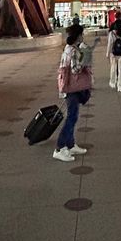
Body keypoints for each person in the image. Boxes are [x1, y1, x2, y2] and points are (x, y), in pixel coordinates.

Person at [54, 24, 90, 162]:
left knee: (73, 116)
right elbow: (76, 69)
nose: (83, 36)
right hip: (72, 88)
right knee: (71, 117)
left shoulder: (69, 48)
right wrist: (85, 55)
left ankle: (70, 144)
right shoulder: (73, 51)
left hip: (69, 86)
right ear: (78, 36)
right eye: (82, 34)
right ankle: (60, 148)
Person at [106, 11, 121, 92]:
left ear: (115, 17)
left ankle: (112, 82)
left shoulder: (112, 27)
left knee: (113, 68)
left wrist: (107, 53)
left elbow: (110, 42)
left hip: (113, 52)